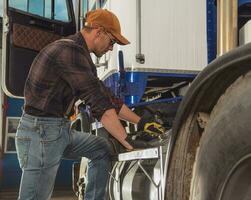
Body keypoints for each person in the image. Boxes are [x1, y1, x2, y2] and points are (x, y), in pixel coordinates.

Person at [15, 8, 164, 200]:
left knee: (101, 149)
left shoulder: (80, 56)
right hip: (41, 133)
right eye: (112, 41)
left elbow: (106, 96)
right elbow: (100, 106)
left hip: (58, 130)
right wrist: (127, 140)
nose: (111, 48)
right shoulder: (69, 51)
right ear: (99, 31)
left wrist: (141, 122)